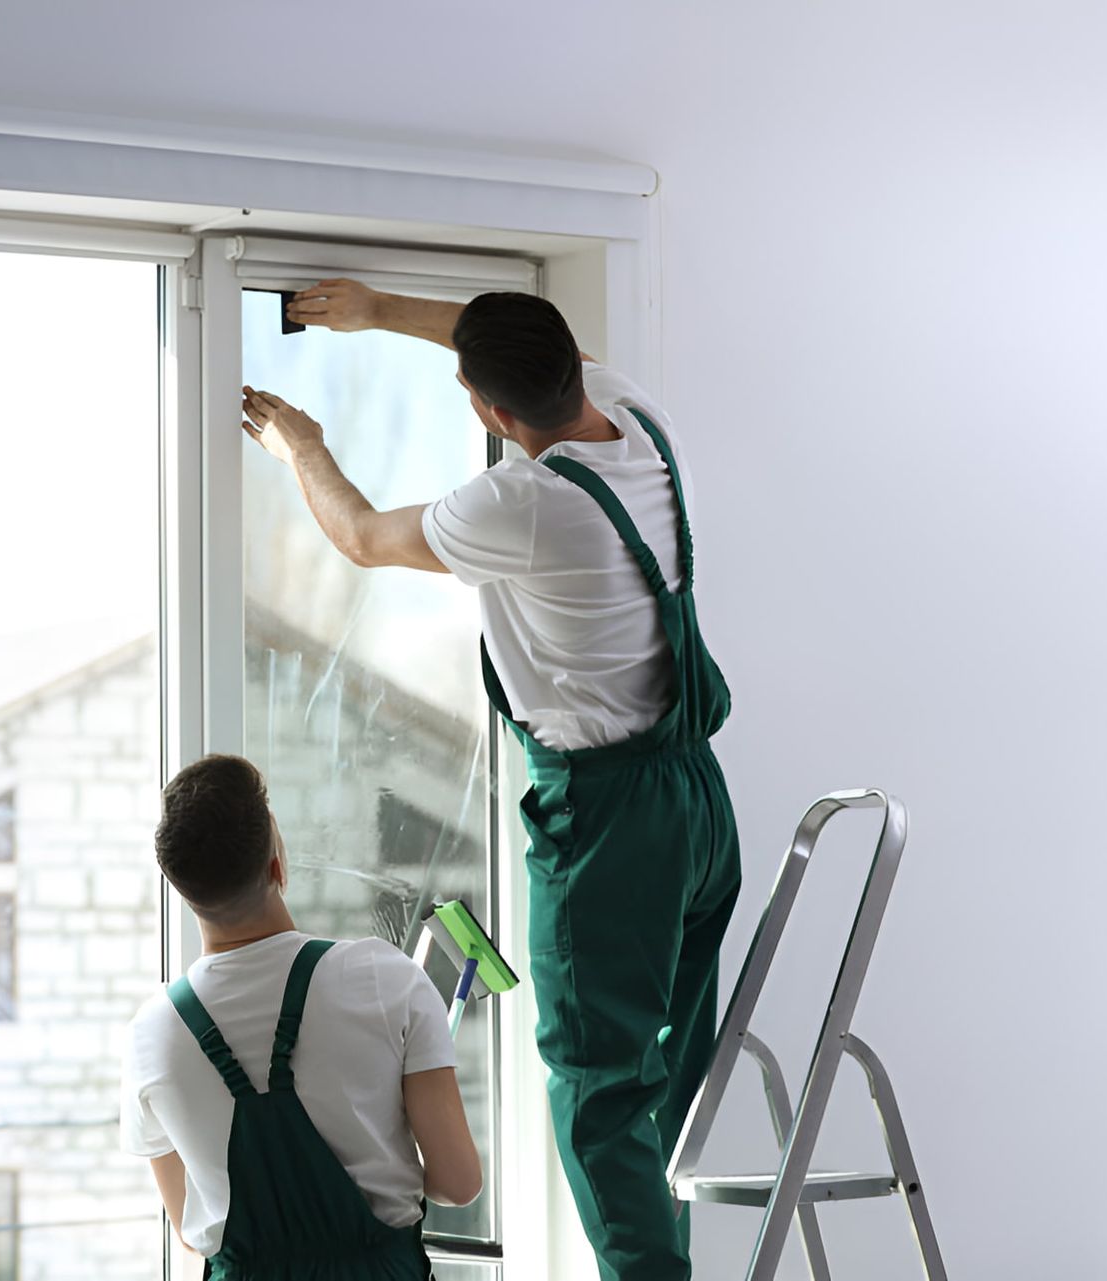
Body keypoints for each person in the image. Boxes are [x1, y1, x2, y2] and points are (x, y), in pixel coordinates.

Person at [240, 282, 740, 1281]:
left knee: (598, 1087)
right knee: (672, 1068)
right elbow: (522, 357)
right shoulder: (640, 424)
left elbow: (363, 536)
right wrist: (378, 308)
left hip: (606, 820)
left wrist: (300, 447)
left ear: (485, 410)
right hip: (696, 799)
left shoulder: (521, 505)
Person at [120, 753, 482, 1279]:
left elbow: (190, 1226)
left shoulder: (152, 1034)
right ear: (277, 864)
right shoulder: (384, 977)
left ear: (182, 890)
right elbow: (458, 1181)